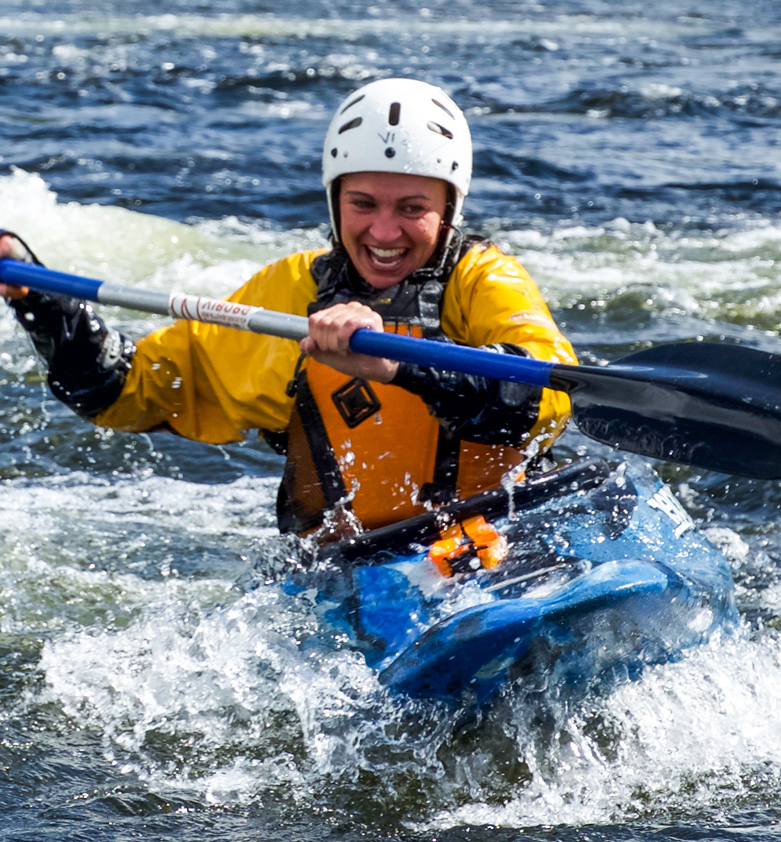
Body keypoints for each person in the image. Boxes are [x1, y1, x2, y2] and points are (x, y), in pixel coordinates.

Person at [0, 78, 576, 543]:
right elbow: (128, 392)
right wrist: (43, 304)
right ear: (334, 199)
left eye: (411, 208)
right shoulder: (289, 290)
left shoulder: (483, 280)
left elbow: (551, 399)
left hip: (492, 543)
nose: (384, 232)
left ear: (449, 207)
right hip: (352, 570)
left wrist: (402, 364)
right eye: (362, 203)